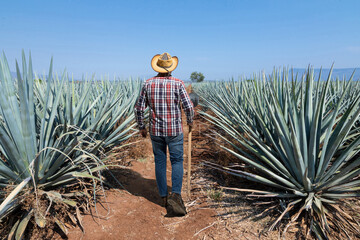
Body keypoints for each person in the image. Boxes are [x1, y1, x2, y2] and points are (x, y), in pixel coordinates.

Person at [134, 52, 194, 216]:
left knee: (160, 162)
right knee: (176, 161)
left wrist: (142, 127)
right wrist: (190, 121)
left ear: (157, 67)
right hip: (174, 131)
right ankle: (176, 195)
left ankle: (163, 197)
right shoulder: (178, 84)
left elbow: (139, 108)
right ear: (170, 68)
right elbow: (188, 107)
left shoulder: (148, 84)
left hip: (156, 130)